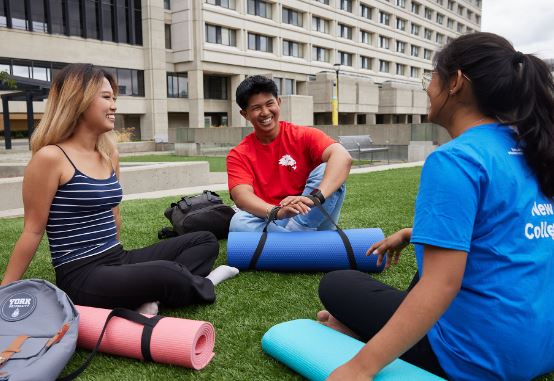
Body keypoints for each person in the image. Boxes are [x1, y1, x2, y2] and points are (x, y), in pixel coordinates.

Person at [317, 32, 554, 381]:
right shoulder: (534, 147)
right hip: (541, 350)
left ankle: (368, 342)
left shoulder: (457, 159)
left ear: (455, 81)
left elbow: (441, 285)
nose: (428, 88)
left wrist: (359, 368)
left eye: (431, 76)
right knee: (430, 262)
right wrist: (417, 233)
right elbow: (515, 231)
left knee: (336, 285)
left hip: (481, 360)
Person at [1, 64, 239, 314]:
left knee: (205, 241)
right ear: (78, 101)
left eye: (114, 98)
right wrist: (5, 290)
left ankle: (151, 297)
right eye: (106, 97)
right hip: (80, 274)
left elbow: (114, 215)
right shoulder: (51, 158)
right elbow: (32, 231)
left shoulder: (108, 154)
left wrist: (127, 273)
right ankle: (206, 282)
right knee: (165, 273)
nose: (114, 105)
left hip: (116, 257)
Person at [227, 75, 352, 232]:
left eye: (269, 104)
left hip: (311, 216)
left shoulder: (304, 135)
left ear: (278, 102)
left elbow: (343, 157)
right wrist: (276, 211)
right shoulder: (239, 154)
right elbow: (241, 197)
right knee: (239, 222)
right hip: (273, 219)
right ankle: (299, 245)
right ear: (244, 114)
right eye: (256, 108)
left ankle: (292, 240)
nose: (265, 112)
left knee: (328, 168)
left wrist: (314, 199)